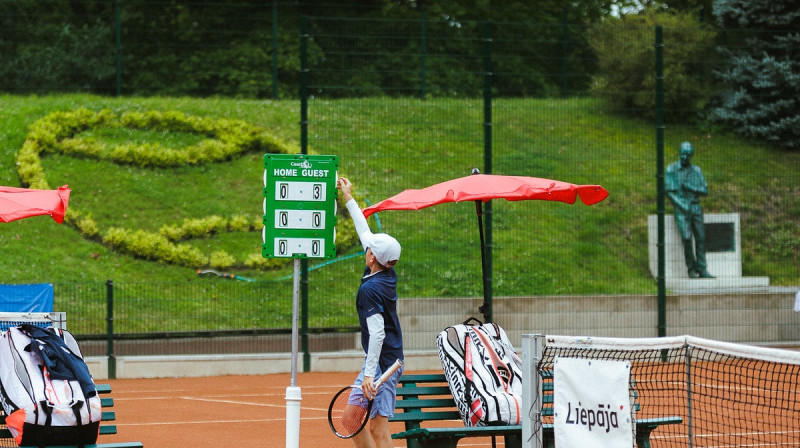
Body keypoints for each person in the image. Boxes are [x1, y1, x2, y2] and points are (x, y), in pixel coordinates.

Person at [337, 177, 404, 448]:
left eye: (369, 248)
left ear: (372, 258)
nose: (366, 247)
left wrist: (368, 375)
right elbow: (364, 232)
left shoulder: (371, 289)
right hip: (378, 363)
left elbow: (376, 334)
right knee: (351, 421)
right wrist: (348, 197)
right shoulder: (384, 269)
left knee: (378, 429)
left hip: (384, 365)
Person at [665, 141, 714, 278]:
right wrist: (682, 206)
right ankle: (691, 268)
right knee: (686, 238)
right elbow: (669, 192)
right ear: (679, 153)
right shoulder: (671, 170)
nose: (685, 157)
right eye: (683, 154)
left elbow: (705, 191)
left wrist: (692, 188)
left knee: (701, 238)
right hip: (681, 208)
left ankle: (702, 269)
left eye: (687, 154)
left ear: (691, 155)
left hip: (695, 207)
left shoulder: (696, 170)